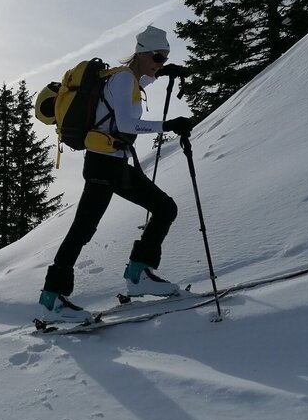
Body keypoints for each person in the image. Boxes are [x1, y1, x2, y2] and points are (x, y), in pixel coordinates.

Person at [39, 25, 193, 322]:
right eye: (157, 58)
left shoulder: (126, 78)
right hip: (105, 164)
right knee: (155, 210)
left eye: (163, 59)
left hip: (111, 162)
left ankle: (136, 275)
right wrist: (168, 124)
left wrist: (164, 73)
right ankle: (56, 297)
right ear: (143, 53)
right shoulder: (123, 79)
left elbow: (123, 104)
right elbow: (124, 124)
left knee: (156, 210)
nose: (158, 63)